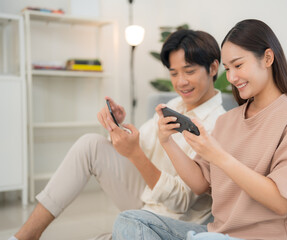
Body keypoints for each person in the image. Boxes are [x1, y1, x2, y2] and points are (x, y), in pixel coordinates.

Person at [112, 19, 287, 240]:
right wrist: (167, 142)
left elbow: (281, 203)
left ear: (267, 58)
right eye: (227, 69)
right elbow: (200, 184)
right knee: (130, 220)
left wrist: (219, 156)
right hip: (215, 234)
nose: (231, 78)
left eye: (238, 66)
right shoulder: (227, 121)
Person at [11, 29, 225, 240]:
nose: (180, 82)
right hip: (147, 197)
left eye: (189, 71)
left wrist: (135, 154)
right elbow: (142, 144)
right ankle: (26, 236)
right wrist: (119, 127)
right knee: (90, 144)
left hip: (174, 218)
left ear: (213, 67)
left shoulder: (220, 124)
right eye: (174, 73)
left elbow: (180, 201)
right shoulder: (175, 104)